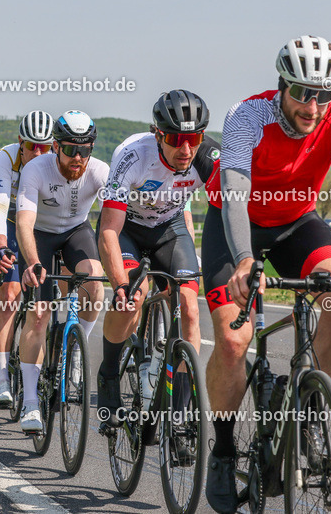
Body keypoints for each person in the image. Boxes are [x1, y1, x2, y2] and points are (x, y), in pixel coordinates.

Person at [202, 36, 331, 512]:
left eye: (323, 95)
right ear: (281, 86)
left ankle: (311, 413)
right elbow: (233, 190)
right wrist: (245, 260)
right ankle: (225, 449)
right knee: (233, 342)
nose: (313, 107)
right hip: (235, 222)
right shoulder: (246, 116)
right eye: (301, 93)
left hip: (297, 221)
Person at [96, 90, 219, 434]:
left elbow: (234, 211)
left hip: (169, 228)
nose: (186, 149)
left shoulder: (207, 156)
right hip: (126, 230)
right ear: (158, 134)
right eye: (176, 139)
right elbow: (108, 229)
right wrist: (121, 284)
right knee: (133, 298)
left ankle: (178, 411)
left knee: (189, 307)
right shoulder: (133, 155)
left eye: (193, 139)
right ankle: (107, 374)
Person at [16, 110, 110, 433]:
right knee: (39, 314)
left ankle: (77, 348)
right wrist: (32, 263)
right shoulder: (35, 170)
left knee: (95, 281)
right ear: (56, 147)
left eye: (85, 150)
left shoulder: (99, 172)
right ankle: (30, 403)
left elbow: (119, 216)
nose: (78, 158)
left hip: (75, 232)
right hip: (39, 237)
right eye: (71, 149)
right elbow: (24, 224)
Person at [0, 110, 54, 408]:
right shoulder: (6, 158)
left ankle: (69, 353)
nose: (38, 153)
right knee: (10, 294)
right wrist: (1, 246)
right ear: (20, 143)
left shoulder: (57, 158)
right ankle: (1, 377)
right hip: (14, 225)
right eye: (31, 147)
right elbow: (0, 206)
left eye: (45, 147)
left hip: (46, 227)